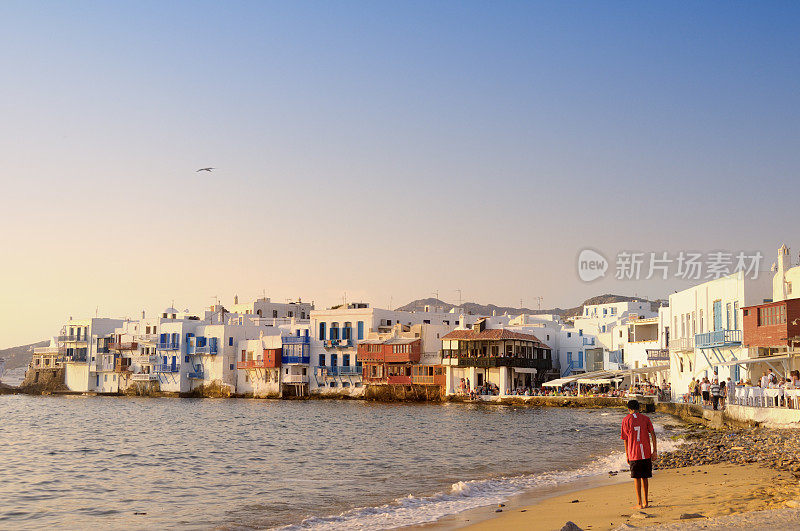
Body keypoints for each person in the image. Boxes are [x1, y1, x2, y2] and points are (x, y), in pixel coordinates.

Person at [621, 399, 657, 509]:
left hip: (634, 452)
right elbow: (653, 434)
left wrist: (627, 454)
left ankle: (639, 503)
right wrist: (654, 450)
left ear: (629, 409)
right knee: (645, 477)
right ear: (639, 408)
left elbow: (625, 439)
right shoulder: (646, 418)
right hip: (645, 451)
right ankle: (646, 502)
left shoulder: (626, 420)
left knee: (636, 478)